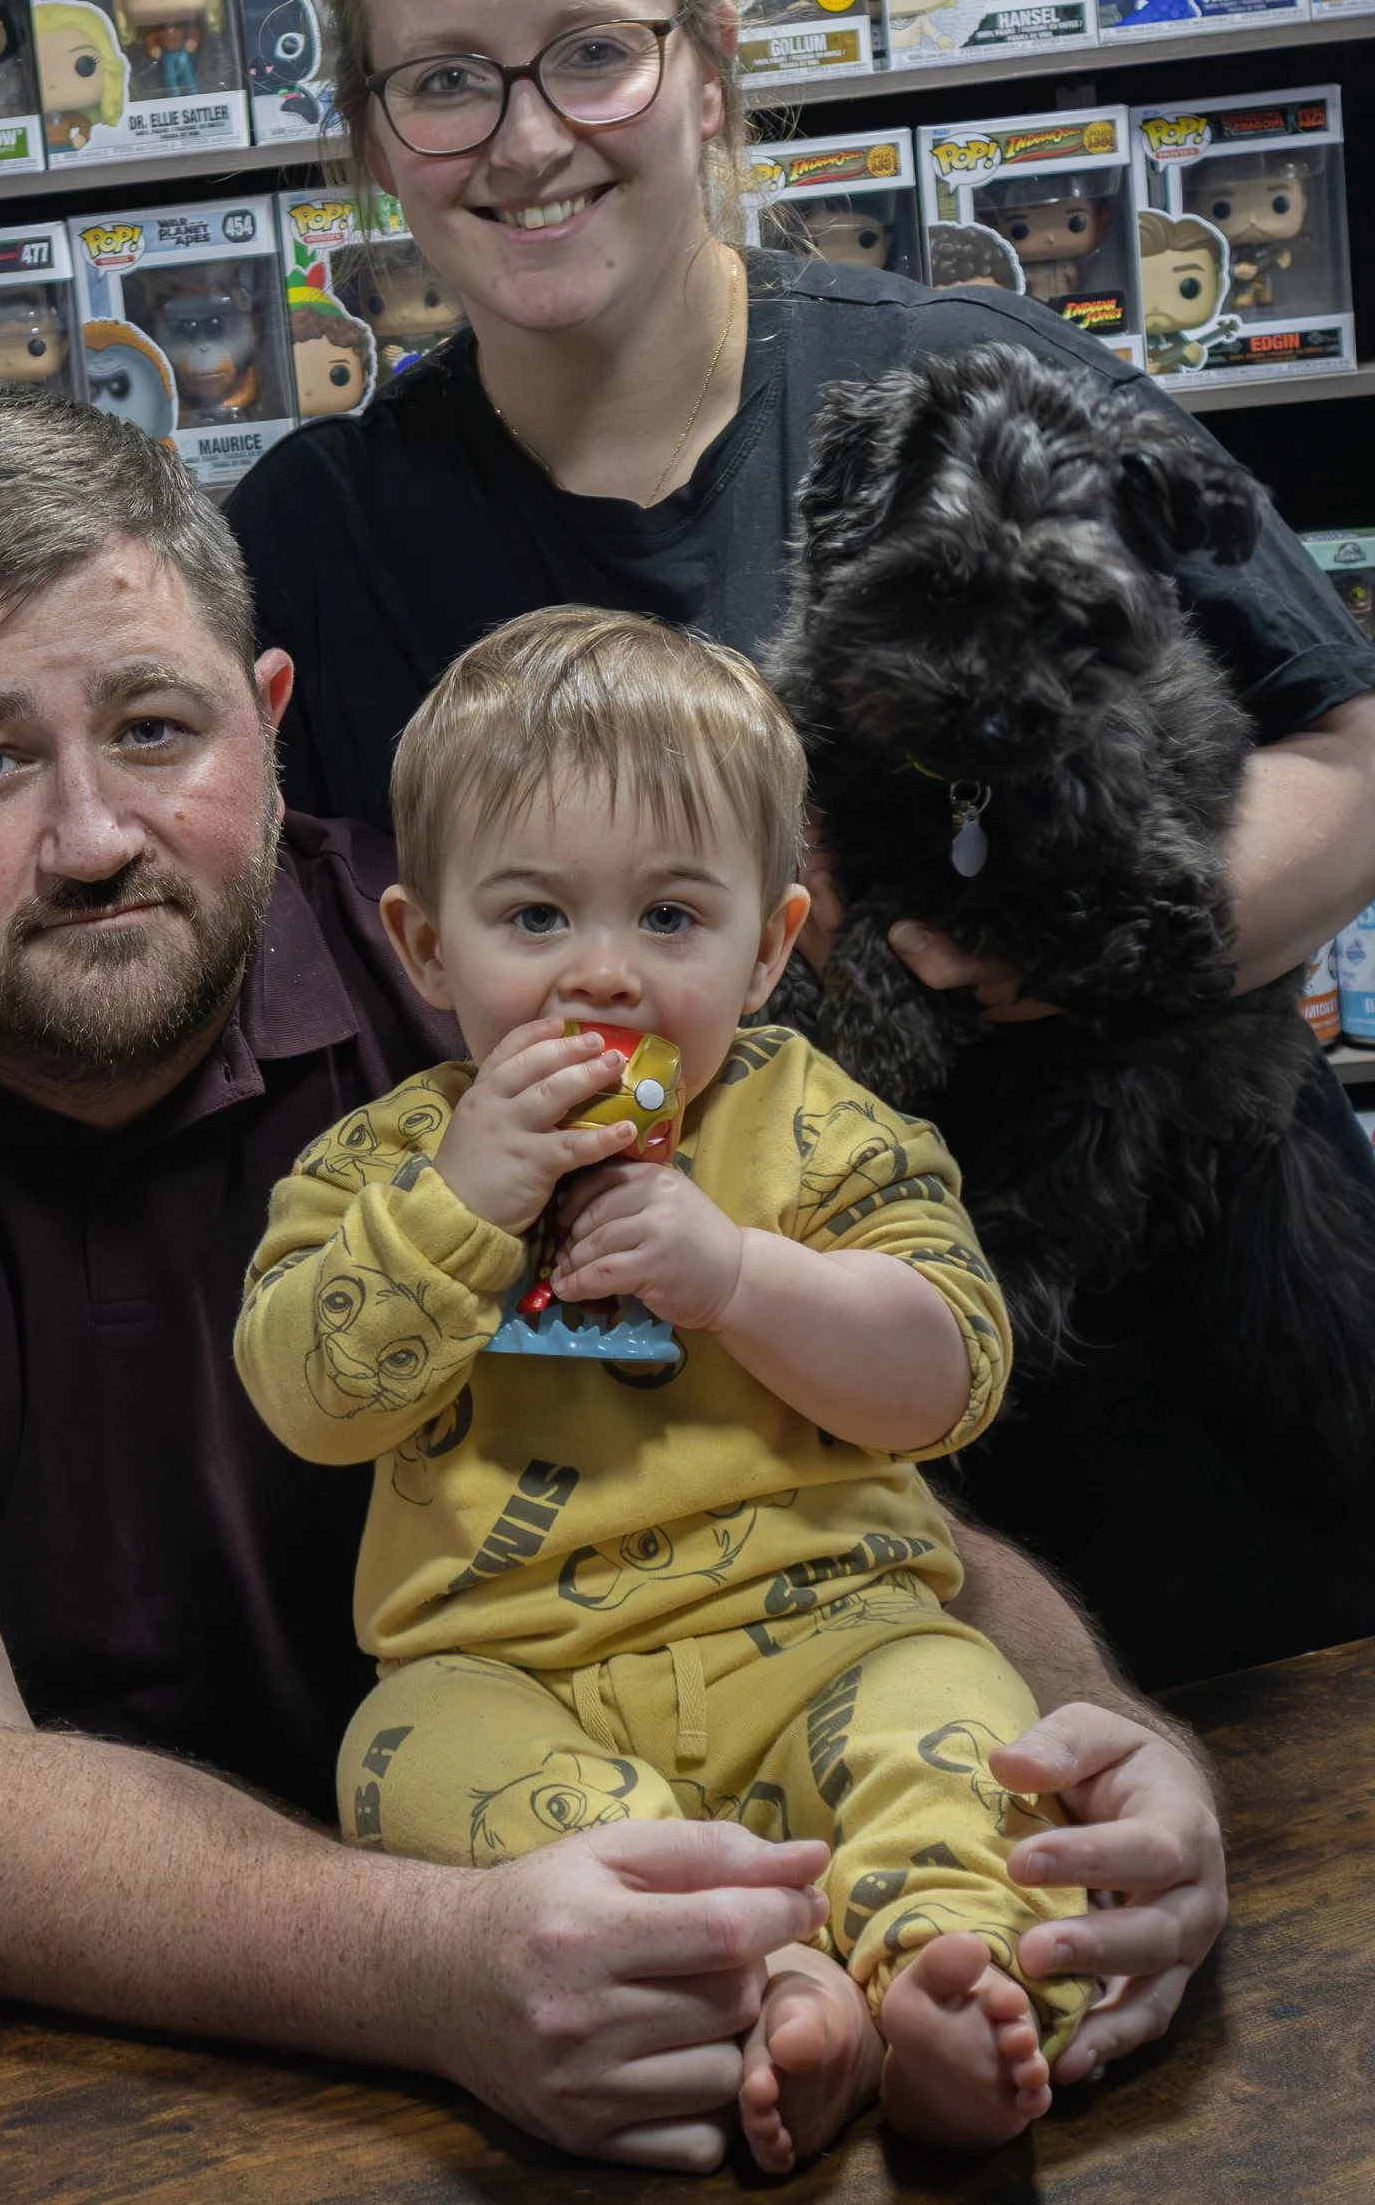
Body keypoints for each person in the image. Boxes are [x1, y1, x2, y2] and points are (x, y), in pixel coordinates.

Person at [0, 386, 1228, 2175]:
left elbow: (818, 1494)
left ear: (273, 720)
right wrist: (439, 1968)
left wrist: (1097, 1769)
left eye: (158, 728)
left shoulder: (522, 955)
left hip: (589, 1977)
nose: (92, 836)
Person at [222, 0, 1375, 1696]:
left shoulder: (969, 393)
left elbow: (1368, 790)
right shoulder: (315, 534)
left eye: (594, 56)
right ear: (372, 141)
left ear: (710, 68)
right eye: (444, 80)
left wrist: (1023, 953)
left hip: (1183, 1390)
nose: (525, 138)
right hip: (727, 1528)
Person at [238, 608, 1091, 2164]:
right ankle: (763, 1983)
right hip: (521, 1681)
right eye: (538, 918)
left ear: (770, 948)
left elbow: (952, 1370)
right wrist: (461, 1202)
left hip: (828, 1639)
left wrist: (740, 1276)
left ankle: (947, 1983)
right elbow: (310, 1396)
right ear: (426, 946)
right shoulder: (379, 1159)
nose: (606, 977)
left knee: (953, 1710)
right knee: (403, 1753)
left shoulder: (811, 1126)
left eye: (673, 920)